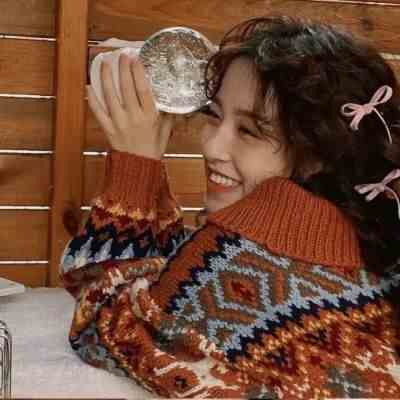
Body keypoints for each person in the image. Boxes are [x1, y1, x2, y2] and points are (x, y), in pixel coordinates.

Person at [61, 16, 400, 398]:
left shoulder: (237, 252)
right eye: (213, 114)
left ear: (315, 155)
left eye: (249, 131)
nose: (211, 146)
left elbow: (100, 322)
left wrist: (135, 164)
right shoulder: (372, 235)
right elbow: (173, 275)